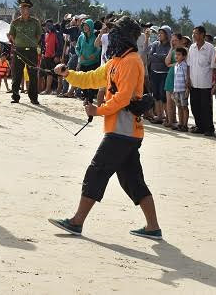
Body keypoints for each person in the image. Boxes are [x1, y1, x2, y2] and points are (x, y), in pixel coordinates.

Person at [48, 16, 162, 240]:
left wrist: (97, 110)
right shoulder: (116, 61)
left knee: (97, 171)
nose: (111, 36)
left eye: (116, 32)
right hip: (124, 131)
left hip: (123, 131)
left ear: (125, 37)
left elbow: (123, 98)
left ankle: (77, 222)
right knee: (132, 180)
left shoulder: (131, 61)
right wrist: (67, 74)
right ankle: (153, 227)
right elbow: (92, 78)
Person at [9, 0, 42, 105]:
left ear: (29, 9)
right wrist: (19, 43)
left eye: (25, 8)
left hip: (31, 51)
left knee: (32, 74)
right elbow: (12, 35)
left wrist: (32, 43)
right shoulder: (15, 22)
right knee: (17, 74)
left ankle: (33, 98)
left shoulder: (35, 22)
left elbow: (38, 35)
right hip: (19, 50)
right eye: (21, 8)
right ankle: (15, 97)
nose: (23, 10)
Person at [186, 26, 216, 136]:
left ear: (202, 34)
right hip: (193, 82)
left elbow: (214, 67)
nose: (194, 35)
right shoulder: (192, 47)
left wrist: (214, 82)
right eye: (193, 33)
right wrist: (188, 79)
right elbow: (188, 65)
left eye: (196, 33)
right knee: (194, 106)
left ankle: (209, 128)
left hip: (206, 83)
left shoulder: (210, 48)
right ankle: (199, 126)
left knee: (206, 107)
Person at [145, 25, 172, 124]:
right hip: (154, 72)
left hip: (165, 73)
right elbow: (150, 57)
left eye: (162, 33)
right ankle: (159, 116)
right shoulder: (155, 44)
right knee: (156, 95)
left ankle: (169, 118)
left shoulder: (170, 46)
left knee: (164, 96)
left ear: (167, 35)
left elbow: (167, 59)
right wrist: (161, 57)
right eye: (159, 33)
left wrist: (157, 56)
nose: (159, 35)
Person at [76, 18, 102, 103]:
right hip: (83, 63)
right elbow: (77, 48)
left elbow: (98, 49)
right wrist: (80, 55)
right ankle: (86, 96)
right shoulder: (81, 37)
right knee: (82, 81)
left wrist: (94, 55)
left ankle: (89, 99)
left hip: (93, 63)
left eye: (87, 26)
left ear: (91, 26)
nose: (85, 27)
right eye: (84, 26)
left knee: (91, 82)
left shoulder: (95, 37)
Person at [163, 33, 182, 129]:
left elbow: (182, 62)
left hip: (179, 77)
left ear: (180, 40)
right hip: (171, 76)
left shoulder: (184, 50)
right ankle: (171, 121)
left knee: (179, 102)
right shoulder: (173, 50)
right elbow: (167, 62)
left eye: (175, 40)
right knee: (169, 101)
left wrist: (172, 64)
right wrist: (171, 48)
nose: (174, 42)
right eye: (172, 40)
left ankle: (180, 122)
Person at [40, 19, 63, 95]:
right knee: (49, 73)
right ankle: (48, 89)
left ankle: (59, 89)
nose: (47, 27)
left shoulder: (57, 33)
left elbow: (60, 45)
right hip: (47, 56)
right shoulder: (45, 34)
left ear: (52, 25)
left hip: (55, 57)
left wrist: (57, 55)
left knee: (59, 73)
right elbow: (44, 45)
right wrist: (43, 53)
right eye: (46, 25)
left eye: (49, 25)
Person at [172, 47, 190, 131]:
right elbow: (175, 78)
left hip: (183, 90)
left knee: (184, 107)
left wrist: (187, 89)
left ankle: (185, 125)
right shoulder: (176, 65)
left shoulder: (184, 65)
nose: (176, 56)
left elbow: (187, 78)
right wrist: (173, 90)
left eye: (179, 55)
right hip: (176, 89)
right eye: (176, 54)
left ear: (184, 56)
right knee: (179, 107)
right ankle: (180, 123)